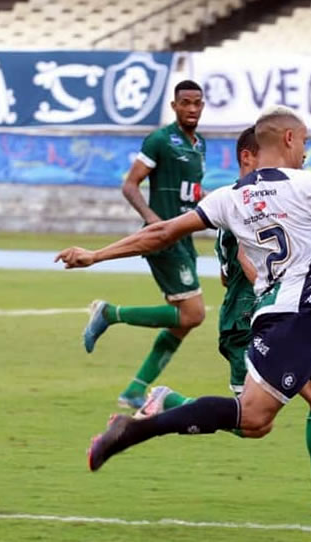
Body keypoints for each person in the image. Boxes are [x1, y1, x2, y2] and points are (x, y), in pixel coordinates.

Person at [56, 105, 311, 518]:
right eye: (304, 141)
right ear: (288, 139)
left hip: (291, 317)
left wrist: (96, 255)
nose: (305, 151)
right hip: (294, 320)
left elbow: (162, 232)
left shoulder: (231, 197)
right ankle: (133, 430)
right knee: (252, 420)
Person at [136, 126, 311, 517]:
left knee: (308, 405)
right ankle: (169, 402)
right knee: (256, 421)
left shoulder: (235, 199)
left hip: (267, 315)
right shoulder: (249, 202)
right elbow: (244, 263)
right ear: (250, 156)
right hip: (253, 321)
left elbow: (230, 272)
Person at [82, 80, 208, 409]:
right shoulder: (160, 140)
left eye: (197, 103)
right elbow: (130, 185)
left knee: (181, 323)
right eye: (186, 103)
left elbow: (191, 192)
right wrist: (152, 219)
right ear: (175, 106)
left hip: (185, 236)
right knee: (193, 314)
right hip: (164, 237)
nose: (192, 109)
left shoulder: (199, 145)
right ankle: (109, 313)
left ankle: (135, 390)